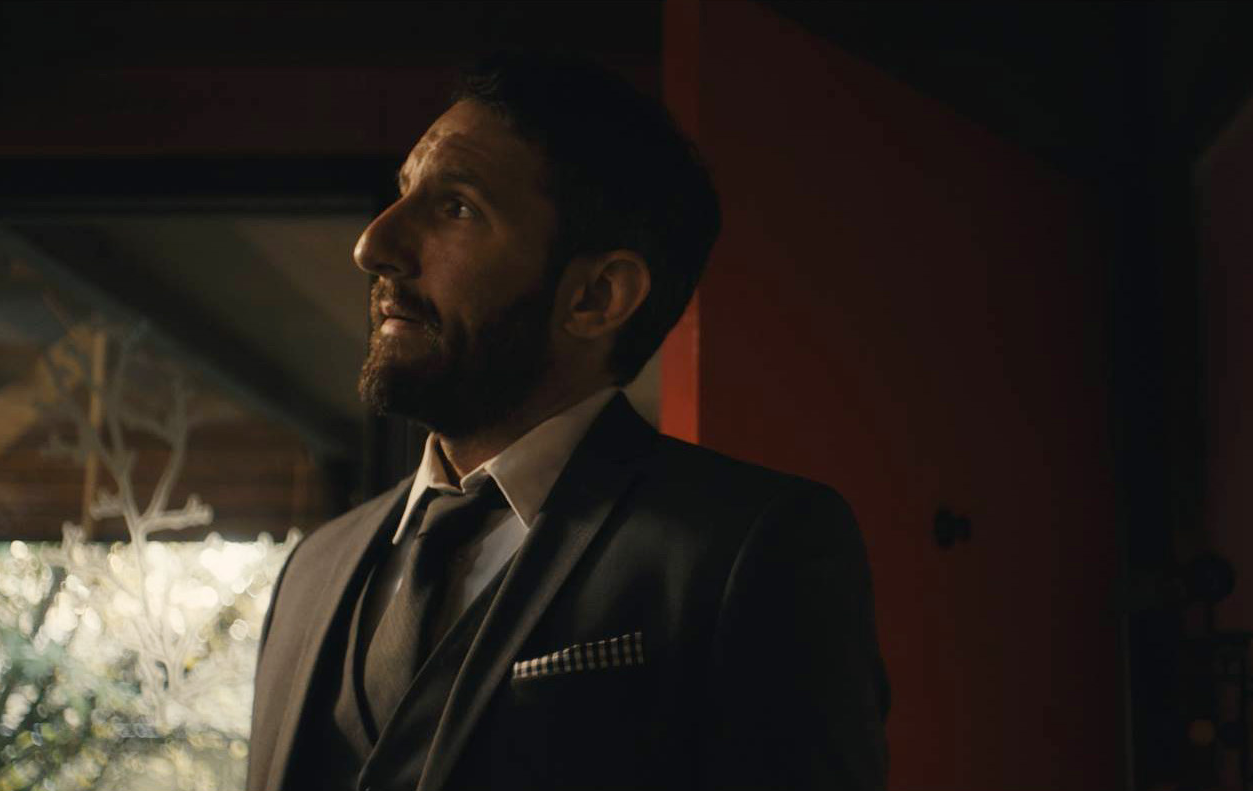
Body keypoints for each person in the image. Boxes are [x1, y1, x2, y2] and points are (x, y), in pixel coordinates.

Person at [247, 51, 889, 791]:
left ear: (597, 297)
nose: (373, 246)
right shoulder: (314, 568)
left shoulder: (754, 547)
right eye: (403, 193)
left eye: (457, 207)